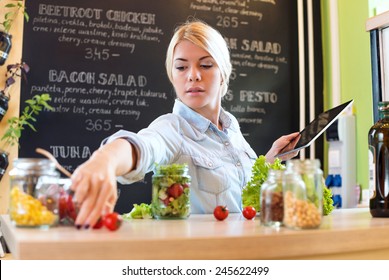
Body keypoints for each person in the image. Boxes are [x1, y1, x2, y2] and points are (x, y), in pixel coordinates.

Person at [70, 19, 300, 229]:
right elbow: (145, 145)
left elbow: (242, 197)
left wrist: (271, 161)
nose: (193, 75)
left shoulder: (231, 127)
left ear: (223, 73)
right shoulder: (171, 128)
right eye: (181, 67)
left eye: (206, 65)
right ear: (173, 75)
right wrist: (105, 160)